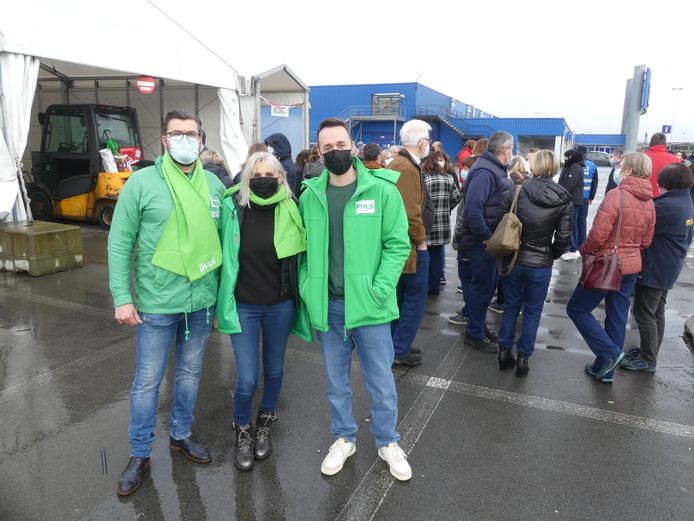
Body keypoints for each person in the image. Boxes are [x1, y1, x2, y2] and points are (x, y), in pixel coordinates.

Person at [108, 110, 225, 497]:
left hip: (201, 300)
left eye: (192, 134)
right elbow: (120, 241)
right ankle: (140, 453)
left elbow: (226, 244)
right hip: (157, 301)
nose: (185, 140)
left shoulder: (213, 185)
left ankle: (181, 434)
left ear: (202, 141)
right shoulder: (141, 182)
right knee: (147, 383)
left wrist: (222, 299)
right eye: (177, 133)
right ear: (164, 140)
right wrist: (122, 298)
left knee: (190, 376)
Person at [299, 117, 412, 481]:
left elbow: (397, 245)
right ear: (319, 151)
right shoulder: (310, 195)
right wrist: (306, 285)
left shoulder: (382, 191)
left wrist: (380, 288)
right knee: (336, 381)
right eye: (327, 147)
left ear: (353, 146)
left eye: (340, 145)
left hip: (371, 307)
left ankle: (387, 441)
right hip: (329, 306)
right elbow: (302, 251)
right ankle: (344, 438)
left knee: (381, 381)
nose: (335, 152)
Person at [216, 151, 309, 471]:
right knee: (247, 378)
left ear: (282, 178)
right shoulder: (233, 208)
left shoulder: (293, 208)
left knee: (274, 371)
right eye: (257, 176)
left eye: (270, 176)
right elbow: (218, 253)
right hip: (243, 305)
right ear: (246, 178)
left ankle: (264, 423)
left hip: (279, 304)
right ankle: (242, 428)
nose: (264, 181)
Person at [566, 152, 656, 384]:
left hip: (608, 263)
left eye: (622, 165)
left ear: (628, 170)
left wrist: (584, 250)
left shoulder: (617, 195)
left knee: (577, 309)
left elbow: (598, 234)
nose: (618, 168)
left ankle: (610, 354)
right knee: (616, 316)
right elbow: (646, 241)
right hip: (631, 266)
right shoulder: (649, 201)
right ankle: (604, 370)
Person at [496, 151, 572, 376]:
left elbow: (502, 220)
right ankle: (523, 357)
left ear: (535, 166)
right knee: (532, 311)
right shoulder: (564, 197)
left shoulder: (517, 190)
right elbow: (564, 237)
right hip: (541, 262)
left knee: (511, 306)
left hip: (515, 258)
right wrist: (551, 255)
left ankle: (503, 351)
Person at [621, 163, 694, 372]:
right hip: (668, 266)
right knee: (657, 312)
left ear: (666, 185)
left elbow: (640, 224)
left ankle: (648, 359)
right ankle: (648, 351)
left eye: (660, 184)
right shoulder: (684, 201)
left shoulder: (667, 207)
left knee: (644, 313)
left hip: (655, 267)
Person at [456, 131, 513, 351]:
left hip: (483, 242)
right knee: (480, 290)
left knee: (485, 289)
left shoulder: (493, 169)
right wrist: (487, 237)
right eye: (511, 147)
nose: (512, 152)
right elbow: (472, 210)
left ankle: (478, 326)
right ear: (505, 149)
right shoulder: (485, 172)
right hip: (478, 244)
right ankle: (474, 334)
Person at [389, 119, 433, 366]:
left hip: (404, 247)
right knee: (413, 301)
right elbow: (409, 212)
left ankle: (398, 345)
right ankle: (399, 349)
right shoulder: (406, 167)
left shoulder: (402, 163)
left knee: (402, 299)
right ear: (421, 142)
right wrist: (422, 241)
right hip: (410, 248)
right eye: (427, 139)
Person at [488, 155, 531, 314]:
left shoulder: (512, 181)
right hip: (527, 232)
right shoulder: (531, 181)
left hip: (512, 229)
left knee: (506, 267)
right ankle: (518, 302)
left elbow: (502, 210)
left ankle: (502, 301)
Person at [422, 150, 460, 296]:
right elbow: (457, 197)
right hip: (442, 223)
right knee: (438, 256)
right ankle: (435, 285)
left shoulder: (424, 178)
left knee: (425, 256)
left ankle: (426, 286)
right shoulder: (449, 178)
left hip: (426, 222)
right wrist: (447, 209)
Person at [558, 149, 585, 260]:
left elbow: (570, 184)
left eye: (566, 157)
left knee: (570, 225)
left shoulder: (574, 167)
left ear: (570, 157)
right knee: (573, 225)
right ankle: (574, 248)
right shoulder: (576, 166)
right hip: (575, 200)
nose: (565, 159)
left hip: (572, 201)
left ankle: (573, 249)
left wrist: (562, 195)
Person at [576, 146, 599, 249]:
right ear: (586, 153)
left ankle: (573, 243)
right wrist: (591, 197)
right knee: (582, 220)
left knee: (573, 221)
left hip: (574, 198)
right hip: (585, 198)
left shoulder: (574, 164)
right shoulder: (592, 165)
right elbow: (594, 183)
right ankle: (582, 242)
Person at [644, 133, 678, 197]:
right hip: (665, 197)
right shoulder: (674, 159)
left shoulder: (642, 157)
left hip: (644, 196)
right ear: (665, 143)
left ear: (651, 142)